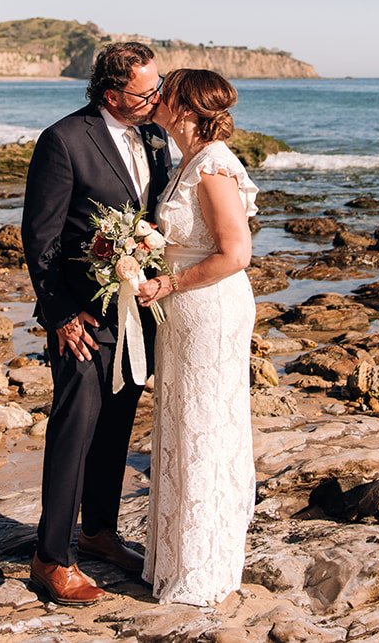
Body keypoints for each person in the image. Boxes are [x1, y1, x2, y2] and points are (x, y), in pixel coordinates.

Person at [21, 41, 173, 605]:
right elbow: (41, 238)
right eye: (146, 89)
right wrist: (60, 314)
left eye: (158, 84)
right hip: (81, 319)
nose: (157, 96)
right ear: (112, 94)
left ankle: (100, 533)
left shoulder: (156, 139)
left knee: (116, 428)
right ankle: (51, 556)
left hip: (138, 316)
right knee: (74, 431)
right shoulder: (63, 140)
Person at [135, 68, 258, 607]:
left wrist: (169, 281)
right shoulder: (184, 159)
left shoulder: (212, 165)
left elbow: (235, 253)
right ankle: (174, 556)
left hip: (207, 307)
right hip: (181, 309)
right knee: (182, 422)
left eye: (166, 90)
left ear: (184, 107)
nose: (156, 97)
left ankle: (202, 566)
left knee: (204, 426)